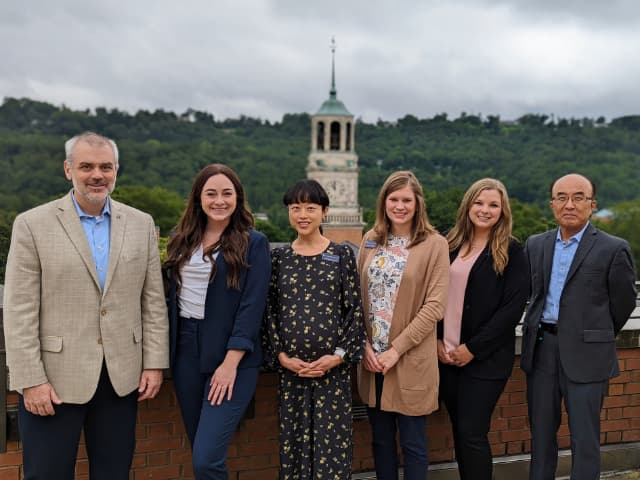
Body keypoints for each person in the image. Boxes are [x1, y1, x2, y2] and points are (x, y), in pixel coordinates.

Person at [2, 131, 169, 480]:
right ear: (68, 170)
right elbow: (18, 309)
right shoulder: (32, 224)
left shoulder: (141, 224)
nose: (97, 174)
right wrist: (31, 380)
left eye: (106, 167)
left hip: (121, 378)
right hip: (54, 381)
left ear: (116, 171)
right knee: (46, 474)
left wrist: (154, 363)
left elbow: (152, 301)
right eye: (87, 166)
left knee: (114, 473)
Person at [521, 173, 637, 480]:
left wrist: (595, 334)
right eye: (561, 197)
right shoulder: (536, 245)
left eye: (578, 197)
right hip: (543, 351)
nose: (569, 204)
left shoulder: (613, 248)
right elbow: (532, 295)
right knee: (542, 436)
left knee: (585, 438)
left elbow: (623, 302)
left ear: (592, 205)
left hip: (588, 355)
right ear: (552, 204)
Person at [165, 164, 270, 479]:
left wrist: (230, 362)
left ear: (238, 197)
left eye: (227, 193)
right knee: (199, 447)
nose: (219, 200)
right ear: (198, 198)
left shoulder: (254, 242)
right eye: (211, 193)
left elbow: (252, 306)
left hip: (230, 356)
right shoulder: (180, 239)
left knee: (206, 460)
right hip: (185, 351)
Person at [263, 179, 366, 480]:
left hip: (332, 374)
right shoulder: (279, 258)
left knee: (331, 448)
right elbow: (269, 312)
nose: (303, 214)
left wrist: (338, 357)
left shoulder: (341, 256)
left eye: (310, 208)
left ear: (324, 212)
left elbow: (355, 311)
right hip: (291, 374)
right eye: (296, 208)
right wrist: (282, 357)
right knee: (294, 445)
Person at [357, 171, 450, 480]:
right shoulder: (370, 240)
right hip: (373, 362)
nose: (399, 206)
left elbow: (435, 306)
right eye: (393, 199)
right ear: (384, 202)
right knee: (381, 441)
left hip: (409, 358)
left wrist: (395, 351)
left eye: (406, 200)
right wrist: (364, 346)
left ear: (417, 203)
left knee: (413, 443)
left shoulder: (434, 244)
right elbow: (356, 297)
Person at [437, 178, 529, 480]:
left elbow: (511, 310)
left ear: (503, 211)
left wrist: (472, 349)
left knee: (472, 431)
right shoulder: (447, 244)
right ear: (468, 205)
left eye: (493, 205)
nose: (485, 210)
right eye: (479, 202)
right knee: (461, 432)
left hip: (485, 361)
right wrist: (437, 340)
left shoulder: (513, 252)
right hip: (446, 358)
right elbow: (432, 296)